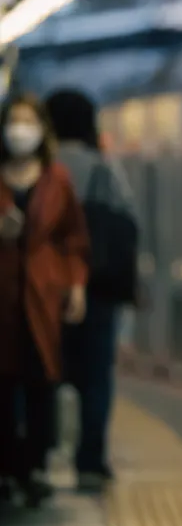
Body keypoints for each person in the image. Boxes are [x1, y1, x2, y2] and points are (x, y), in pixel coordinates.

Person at [0, 93, 89, 507]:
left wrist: (76, 285)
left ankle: (33, 467)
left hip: (41, 297)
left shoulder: (57, 180)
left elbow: (75, 239)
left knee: (40, 383)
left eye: (27, 122)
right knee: (2, 387)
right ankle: (7, 470)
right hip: (2, 298)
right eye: (12, 121)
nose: (19, 131)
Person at [46, 89, 138, 491]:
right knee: (97, 377)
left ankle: (39, 452)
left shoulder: (42, 169)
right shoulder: (104, 170)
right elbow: (127, 221)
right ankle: (90, 459)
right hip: (98, 291)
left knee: (42, 373)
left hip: (46, 290)